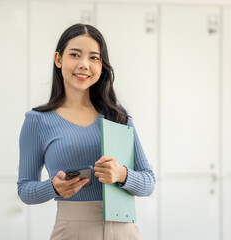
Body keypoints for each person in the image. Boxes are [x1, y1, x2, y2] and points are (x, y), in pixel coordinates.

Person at [17, 23, 155, 240]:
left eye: (94, 58)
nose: (84, 65)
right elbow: (25, 190)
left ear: (102, 66)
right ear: (59, 59)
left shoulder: (118, 116)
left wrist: (121, 174)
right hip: (72, 230)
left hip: (124, 231)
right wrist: (53, 187)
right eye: (75, 55)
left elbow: (148, 182)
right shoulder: (37, 121)